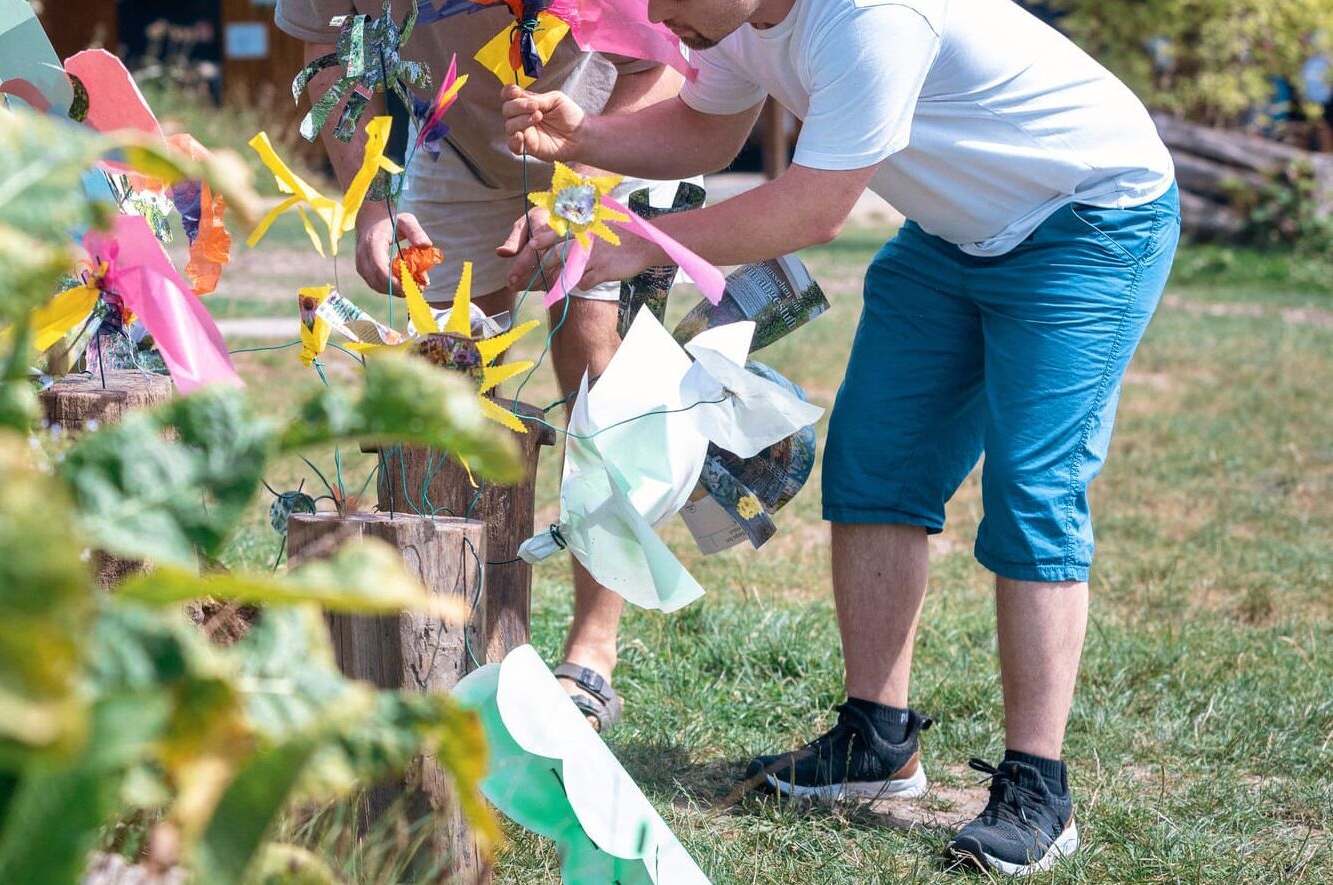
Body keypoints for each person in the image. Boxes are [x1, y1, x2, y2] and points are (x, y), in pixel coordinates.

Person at [500, 0, 1179, 874]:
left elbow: (815, 207)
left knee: (1032, 489)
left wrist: (632, 240)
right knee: (873, 467)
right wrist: (584, 136)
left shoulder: (872, 18)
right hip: (954, 235)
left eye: (668, 2)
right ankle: (876, 741)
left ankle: (1038, 785)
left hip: (1089, 219)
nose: (657, 20)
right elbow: (708, 131)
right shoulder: (731, 20)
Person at [275, 0, 693, 731]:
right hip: (453, 143)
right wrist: (372, 198)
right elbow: (330, 42)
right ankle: (442, 637)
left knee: (596, 359)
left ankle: (591, 650)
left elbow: (659, 64)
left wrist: (575, 190)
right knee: (442, 374)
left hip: (607, 120)